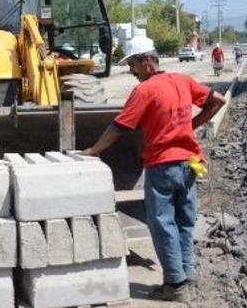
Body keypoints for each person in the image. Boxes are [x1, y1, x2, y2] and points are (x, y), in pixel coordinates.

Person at [83, 37, 226, 305]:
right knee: (185, 222)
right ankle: (186, 277)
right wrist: (189, 127)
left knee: (163, 225)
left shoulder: (145, 90)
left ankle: (174, 284)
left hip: (162, 165)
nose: (132, 71)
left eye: (134, 65)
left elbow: (119, 126)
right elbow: (217, 100)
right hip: (189, 163)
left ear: (148, 61)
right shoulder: (181, 81)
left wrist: (94, 150)